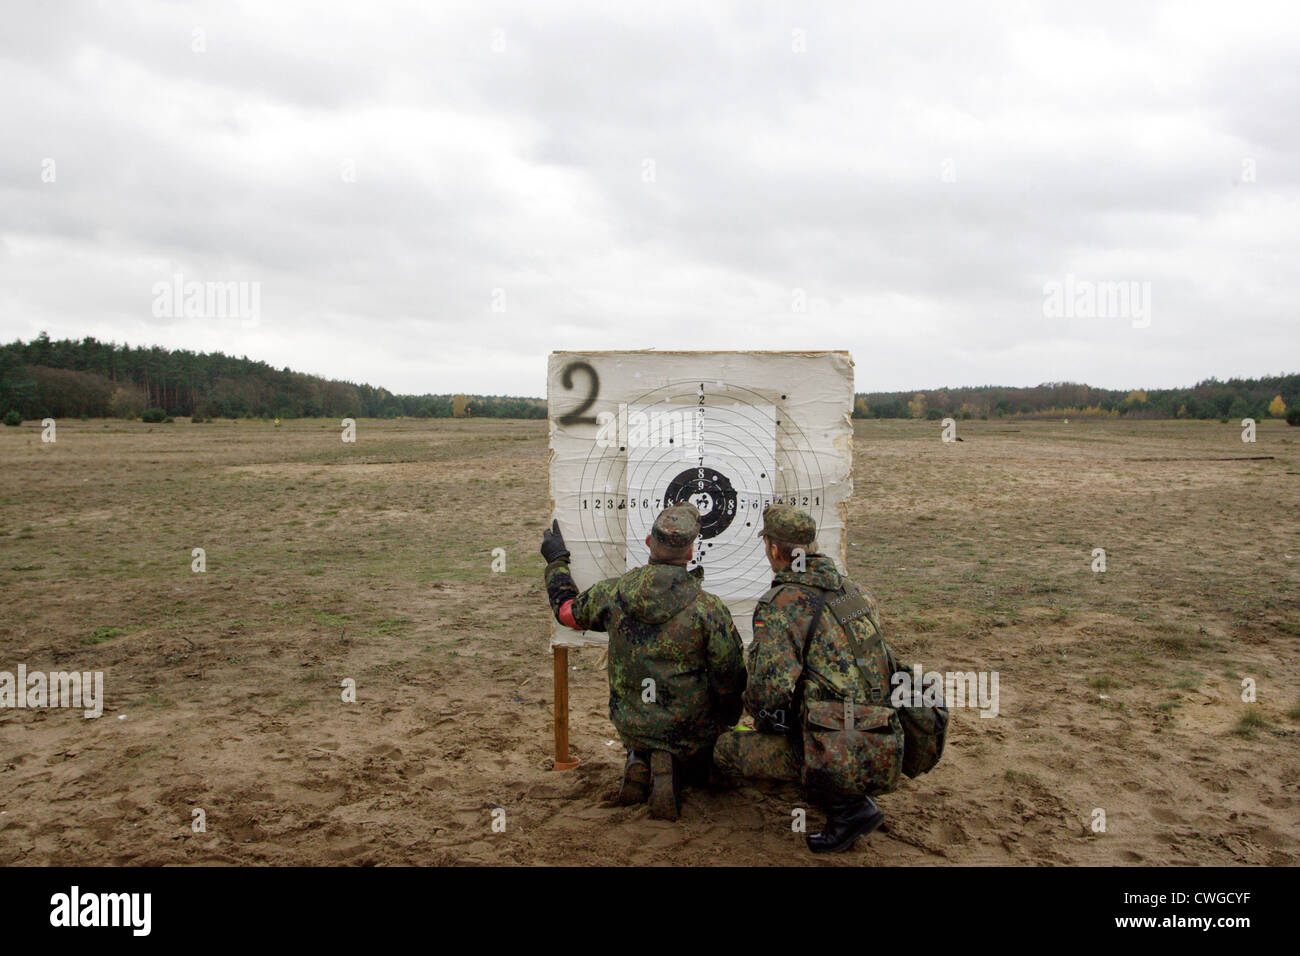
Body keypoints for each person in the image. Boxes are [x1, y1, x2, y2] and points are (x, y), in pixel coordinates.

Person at [714, 504, 902, 853]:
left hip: (837, 746)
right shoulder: (854, 592)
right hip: (883, 740)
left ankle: (846, 807)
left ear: (772, 549)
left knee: (727, 751)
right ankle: (847, 791)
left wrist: (764, 720)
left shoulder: (783, 604)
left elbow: (767, 692)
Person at [541, 504, 746, 821]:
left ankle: (640, 755)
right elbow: (730, 677)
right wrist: (727, 721)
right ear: (690, 552)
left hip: (630, 720)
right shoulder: (709, 609)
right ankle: (672, 765)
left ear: (649, 542)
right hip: (689, 729)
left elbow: (567, 612)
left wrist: (556, 562)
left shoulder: (613, 593)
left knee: (647, 729)